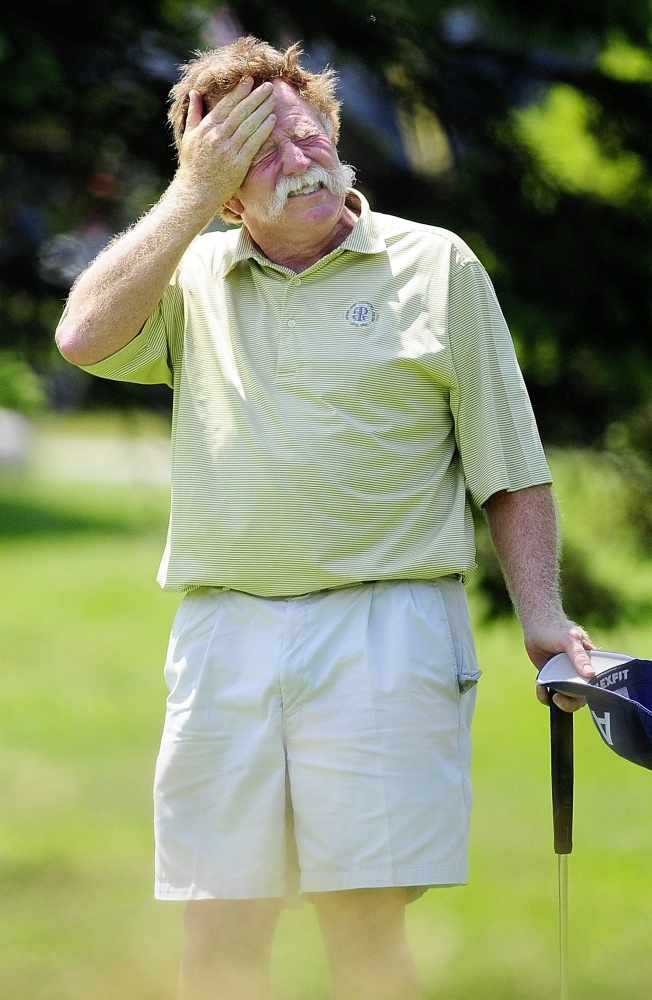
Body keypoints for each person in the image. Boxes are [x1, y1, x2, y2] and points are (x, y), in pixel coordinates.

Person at [56, 35, 594, 1000]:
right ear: (220, 188)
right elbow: (84, 335)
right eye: (257, 152)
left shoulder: (436, 264)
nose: (298, 159)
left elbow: (508, 466)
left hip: (385, 628)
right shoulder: (190, 274)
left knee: (364, 920)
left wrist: (544, 618)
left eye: (305, 134)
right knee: (219, 925)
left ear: (336, 136)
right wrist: (187, 196)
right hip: (225, 634)